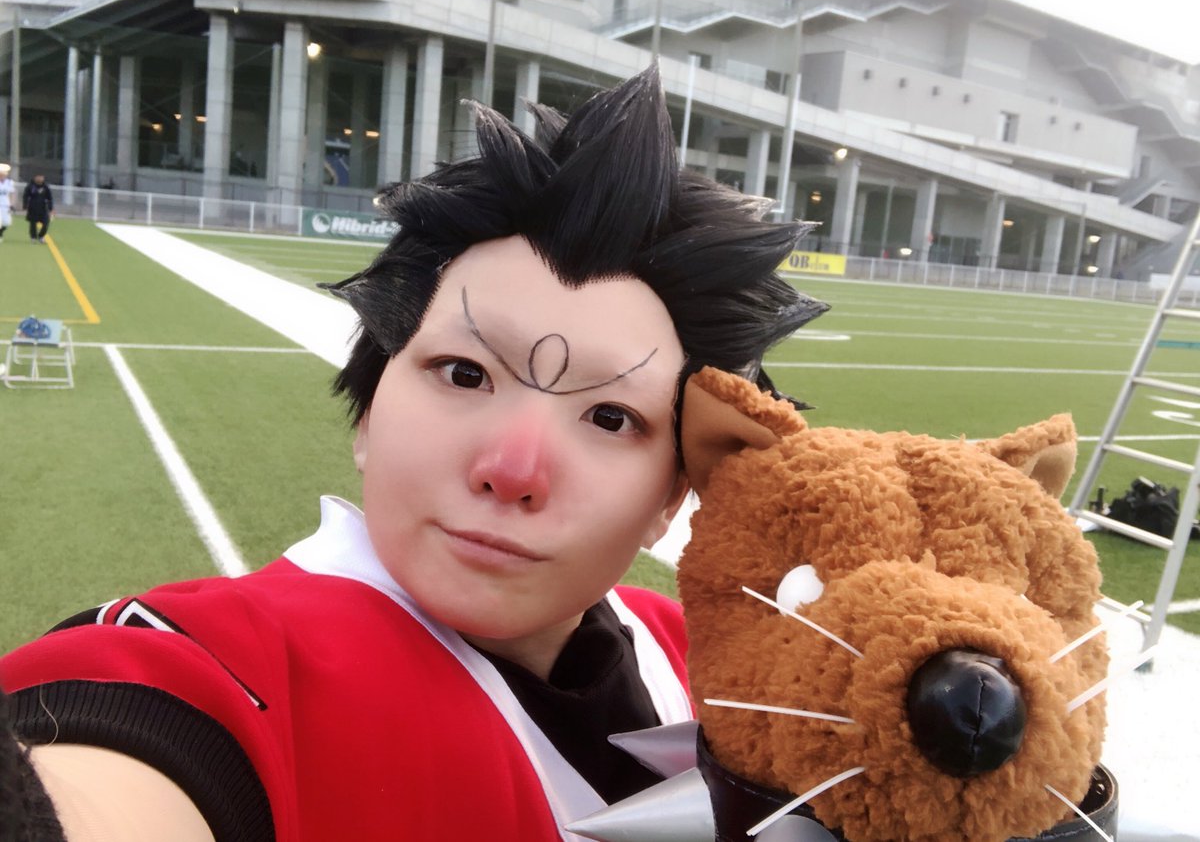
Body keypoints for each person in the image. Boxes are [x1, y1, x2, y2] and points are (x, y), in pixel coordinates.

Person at [0, 65, 827, 842]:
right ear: (367, 412)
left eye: (611, 417)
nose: (513, 468)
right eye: (464, 373)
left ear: (669, 501)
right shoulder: (237, 666)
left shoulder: (728, 663)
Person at [23, 173, 54, 243]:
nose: (40, 178)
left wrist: (51, 208)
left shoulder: (46, 187)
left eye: (41, 177)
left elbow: (50, 198)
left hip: (43, 208)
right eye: (38, 177)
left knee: (46, 222)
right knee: (33, 224)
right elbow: (25, 196)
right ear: (35, 177)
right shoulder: (30, 186)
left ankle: (41, 236)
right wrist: (25, 205)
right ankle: (33, 237)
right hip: (32, 208)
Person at [0, 163, 13, 241]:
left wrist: (11, 204)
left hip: (5, 204)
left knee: (6, 222)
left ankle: (1, 232)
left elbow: (11, 194)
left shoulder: (9, 182)